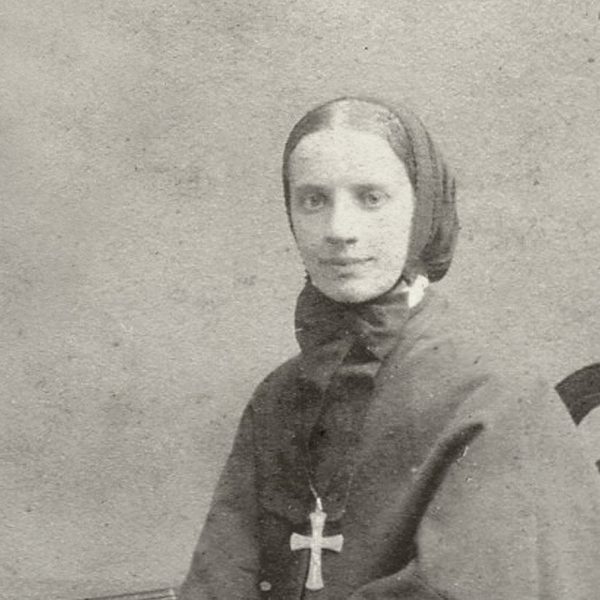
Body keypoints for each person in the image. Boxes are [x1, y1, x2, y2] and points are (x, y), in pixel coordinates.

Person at [179, 97, 600, 600]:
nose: (339, 230)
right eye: (313, 200)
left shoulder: (498, 399)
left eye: (371, 198)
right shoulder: (279, 397)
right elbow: (218, 580)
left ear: (422, 209)